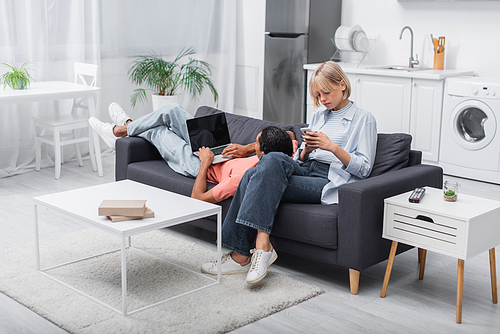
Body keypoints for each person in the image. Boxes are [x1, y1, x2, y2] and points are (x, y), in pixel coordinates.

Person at [201, 61, 378, 284]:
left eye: (326, 92)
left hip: (329, 179)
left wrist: (331, 146)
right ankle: (259, 248)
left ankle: (244, 254)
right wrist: (309, 149)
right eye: (317, 95)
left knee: (250, 175)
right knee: (271, 159)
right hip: (305, 167)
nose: (322, 99)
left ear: (342, 84)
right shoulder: (319, 116)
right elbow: (300, 157)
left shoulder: (364, 119)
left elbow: (364, 169)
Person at [88, 103, 298, 204]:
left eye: (258, 144)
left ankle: (118, 131)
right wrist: (248, 147)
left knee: (157, 131)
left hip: (200, 165)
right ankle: (125, 127)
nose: (255, 144)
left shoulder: (243, 178)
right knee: (170, 110)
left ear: (264, 155)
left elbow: (200, 197)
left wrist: (206, 162)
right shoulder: (286, 150)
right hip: (220, 149)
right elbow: (290, 134)